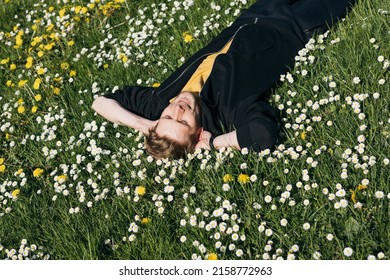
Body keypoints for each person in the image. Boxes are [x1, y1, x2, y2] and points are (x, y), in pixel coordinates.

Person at [92, 0, 356, 159]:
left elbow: (100, 103)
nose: (178, 110)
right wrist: (216, 143)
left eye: (168, 117)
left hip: (256, 13)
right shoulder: (228, 111)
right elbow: (263, 134)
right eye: (183, 121)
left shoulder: (158, 102)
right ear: (198, 133)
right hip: (296, 26)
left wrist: (147, 125)